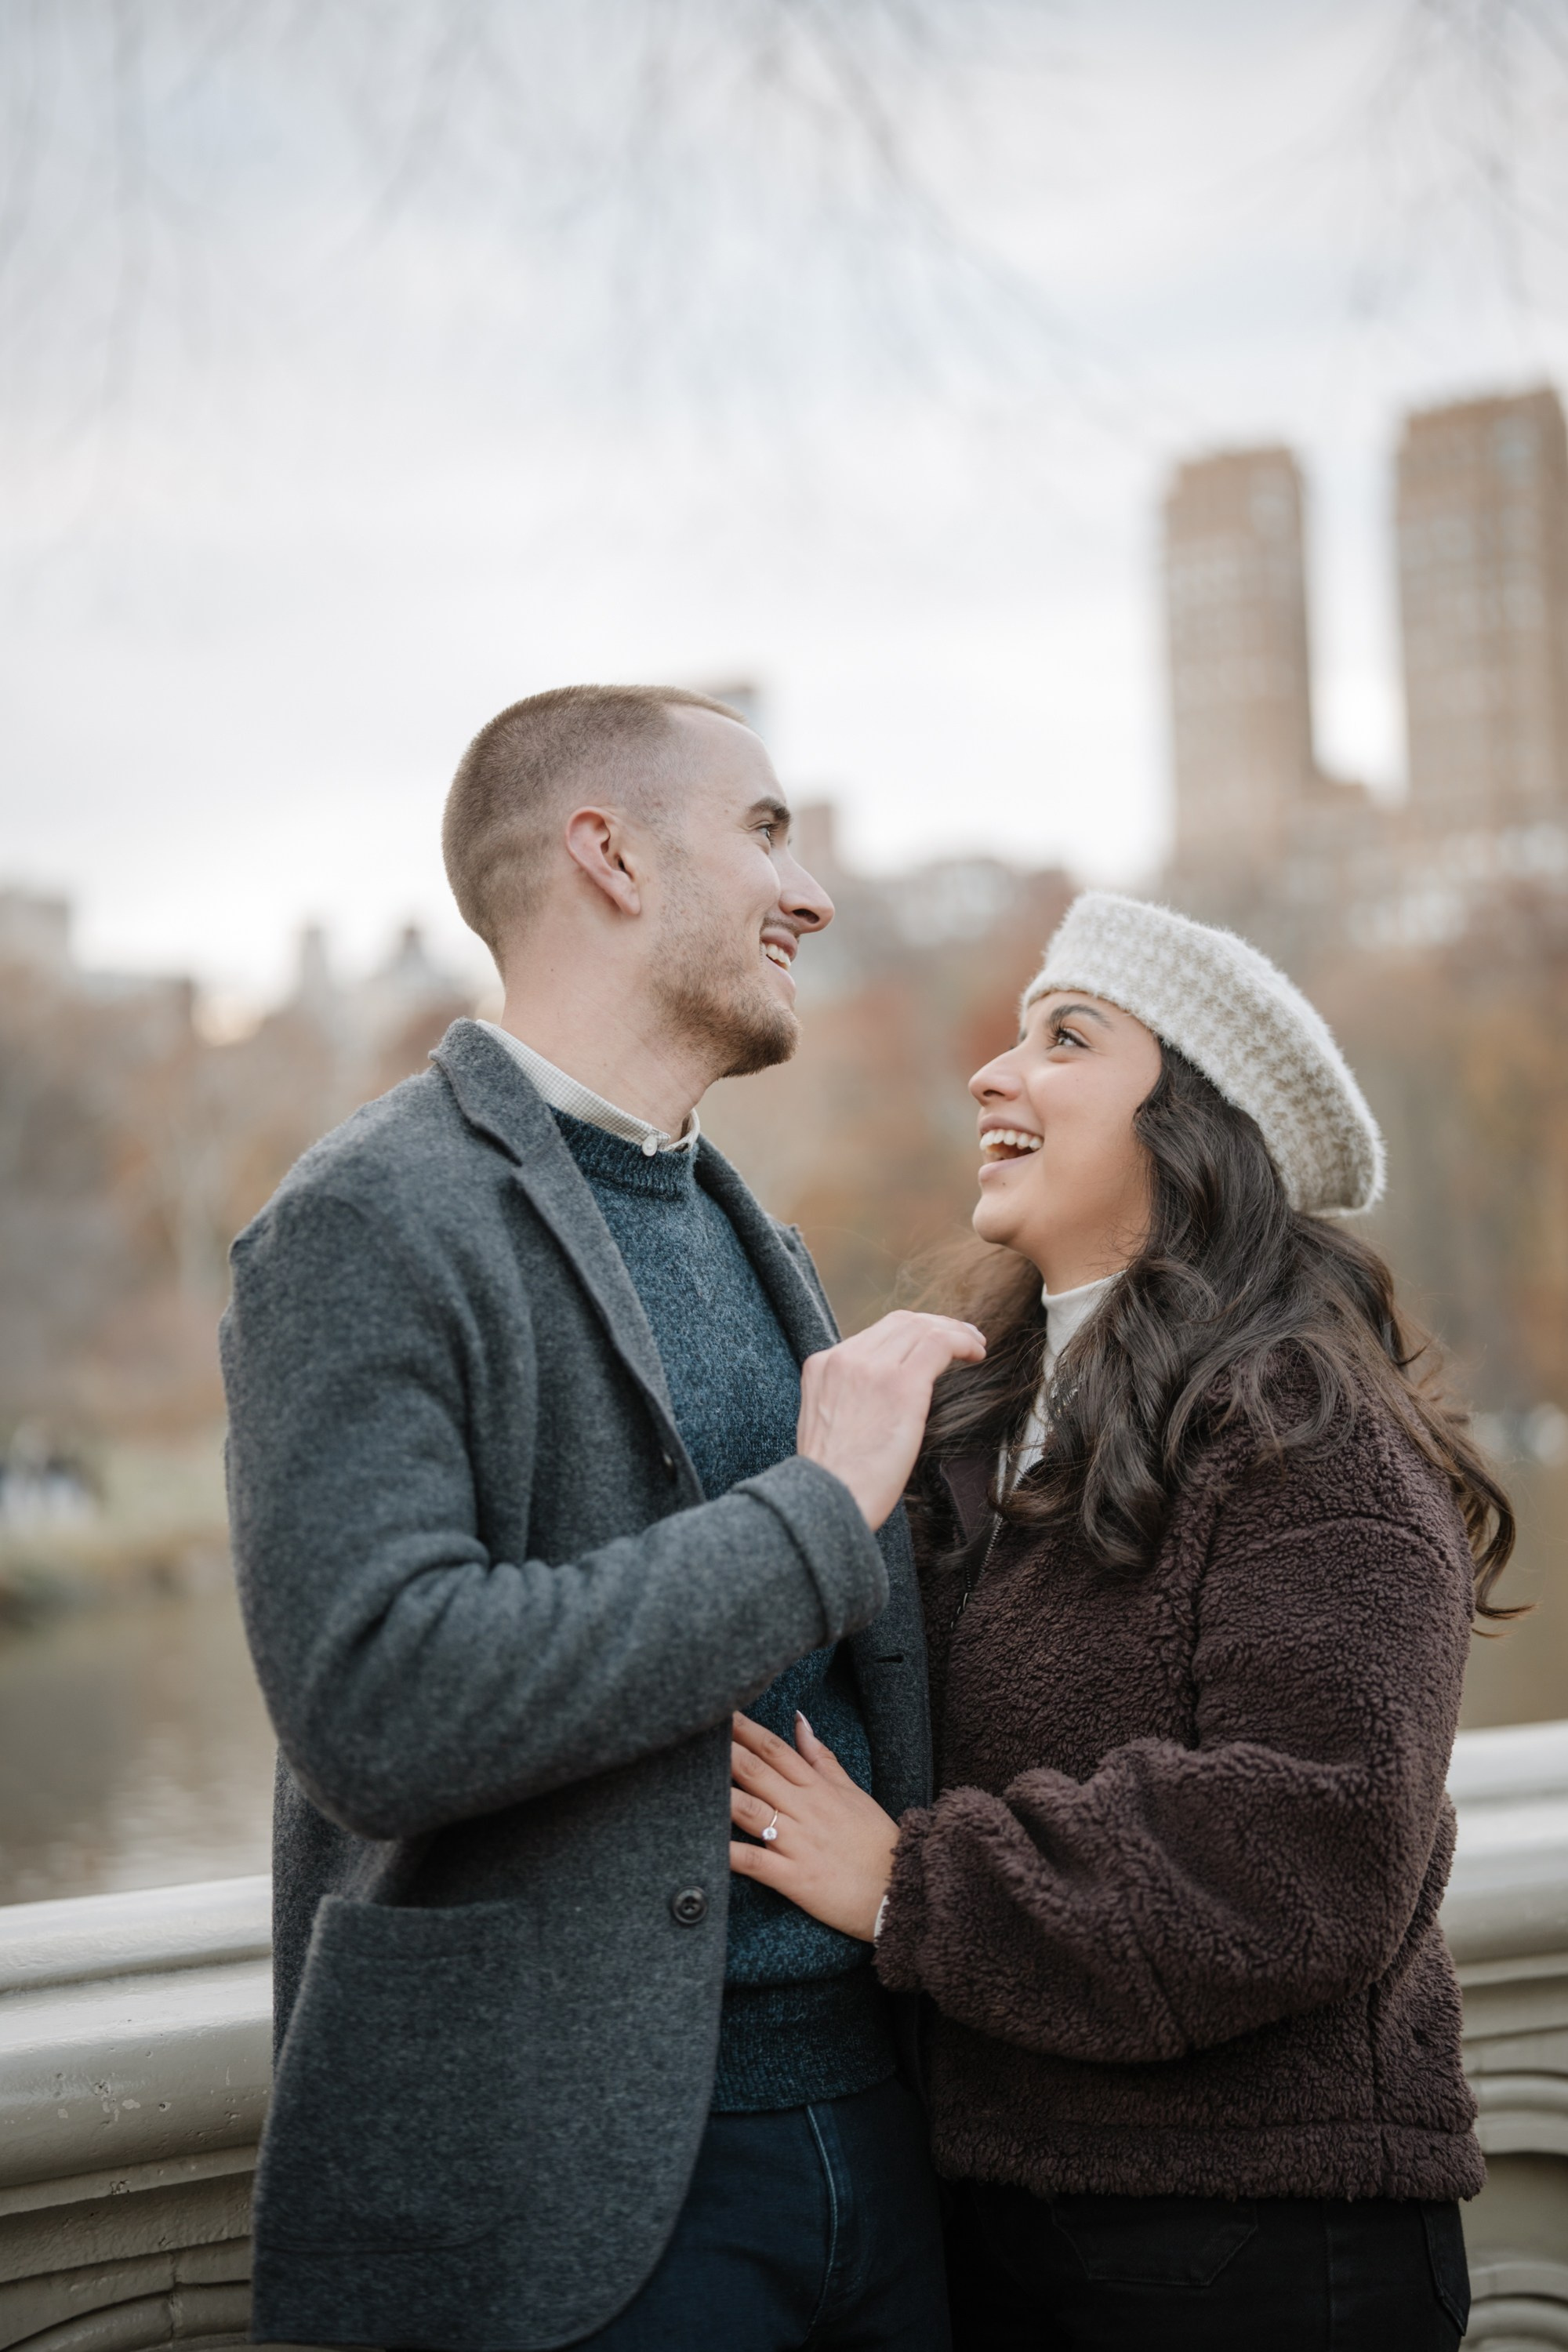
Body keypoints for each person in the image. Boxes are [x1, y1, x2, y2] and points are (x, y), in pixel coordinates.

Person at [221, 683, 982, 2352]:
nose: (815, 893)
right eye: (767, 832)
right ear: (610, 855)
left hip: (878, 2139)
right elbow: (379, 1700)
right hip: (574, 2212)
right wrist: (816, 1510)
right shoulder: (361, 1222)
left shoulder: (744, 1227)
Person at [728, 891, 1513, 2352]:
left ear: (1192, 1126)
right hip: (1002, 2217)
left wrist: (914, 1886)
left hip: (1262, 2245)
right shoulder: (982, 1421)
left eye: (1066, 1038)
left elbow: (1317, 1843)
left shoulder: (1305, 1428)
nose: (993, 1073)